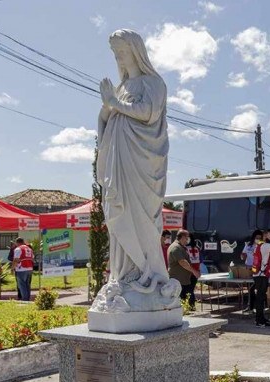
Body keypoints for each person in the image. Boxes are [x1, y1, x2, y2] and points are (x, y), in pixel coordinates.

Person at [96, 29, 171, 297]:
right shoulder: (122, 87)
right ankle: (122, 275)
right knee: (119, 211)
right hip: (119, 159)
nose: (119, 58)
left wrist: (114, 103)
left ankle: (148, 273)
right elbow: (106, 119)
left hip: (140, 163)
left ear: (136, 52)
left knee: (139, 214)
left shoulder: (154, 83)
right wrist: (107, 110)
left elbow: (149, 113)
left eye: (123, 52)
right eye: (116, 54)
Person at [167, 230, 200, 307]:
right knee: (182, 298)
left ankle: (189, 309)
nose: (188, 240)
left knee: (187, 297)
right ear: (182, 237)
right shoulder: (176, 247)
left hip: (184, 279)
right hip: (179, 280)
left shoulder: (181, 247)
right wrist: (194, 271)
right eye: (187, 238)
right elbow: (182, 262)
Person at [251, 230, 270, 327]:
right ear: (265, 236)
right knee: (260, 298)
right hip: (261, 275)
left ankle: (260, 318)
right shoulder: (265, 245)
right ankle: (259, 321)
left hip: (260, 274)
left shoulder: (260, 245)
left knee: (261, 298)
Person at [241, 230, 263, 314]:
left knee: (254, 288)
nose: (258, 239)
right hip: (249, 268)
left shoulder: (262, 246)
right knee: (250, 288)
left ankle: (254, 307)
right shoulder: (248, 245)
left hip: (258, 269)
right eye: (256, 237)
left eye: (260, 238)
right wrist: (243, 256)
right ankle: (250, 306)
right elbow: (243, 254)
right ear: (253, 237)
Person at [12, 237, 34, 302]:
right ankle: (28, 298)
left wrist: (12, 268)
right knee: (27, 284)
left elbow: (16, 260)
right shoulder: (29, 249)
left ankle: (25, 299)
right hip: (30, 268)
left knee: (21, 284)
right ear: (23, 241)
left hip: (21, 269)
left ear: (17, 242)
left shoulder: (18, 249)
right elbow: (32, 258)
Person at [186, 238, 201, 306]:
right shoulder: (197, 249)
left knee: (189, 290)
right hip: (196, 271)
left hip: (189, 271)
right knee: (192, 289)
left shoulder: (185, 249)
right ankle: (192, 305)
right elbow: (201, 260)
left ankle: (190, 305)